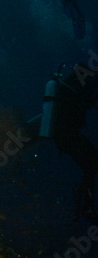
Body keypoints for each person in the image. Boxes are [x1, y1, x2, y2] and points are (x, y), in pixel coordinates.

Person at [37, 62, 98, 220]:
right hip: (67, 134)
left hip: (63, 133)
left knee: (92, 163)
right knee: (92, 163)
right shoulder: (84, 83)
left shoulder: (74, 81)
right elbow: (86, 101)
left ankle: (84, 202)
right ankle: (85, 205)